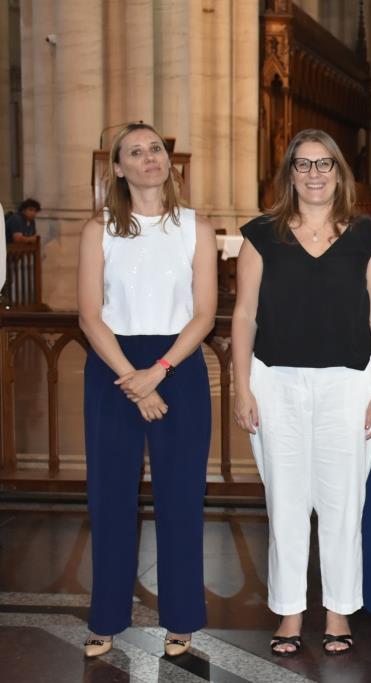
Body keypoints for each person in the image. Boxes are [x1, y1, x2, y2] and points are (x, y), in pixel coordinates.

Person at [231, 129, 371, 657]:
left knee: (343, 502)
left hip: (349, 384)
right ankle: (289, 612)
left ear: (339, 172)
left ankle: (340, 610)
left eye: (324, 164)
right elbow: (244, 314)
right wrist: (240, 386)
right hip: (275, 382)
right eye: (303, 164)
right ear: (290, 174)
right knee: (285, 501)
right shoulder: (261, 235)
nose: (314, 174)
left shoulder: (368, 237)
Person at [77, 123, 217, 658]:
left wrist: (157, 372)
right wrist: (134, 381)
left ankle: (182, 618)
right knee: (110, 497)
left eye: (155, 148)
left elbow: (204, 315)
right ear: (118, 168)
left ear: (168, 160)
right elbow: (90, 317)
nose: (149, 157)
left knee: (181, 497)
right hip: (112, 366)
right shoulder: (99, 230)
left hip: (176, 364)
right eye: (135, 152)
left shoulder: (195, 227)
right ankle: (106, 618)